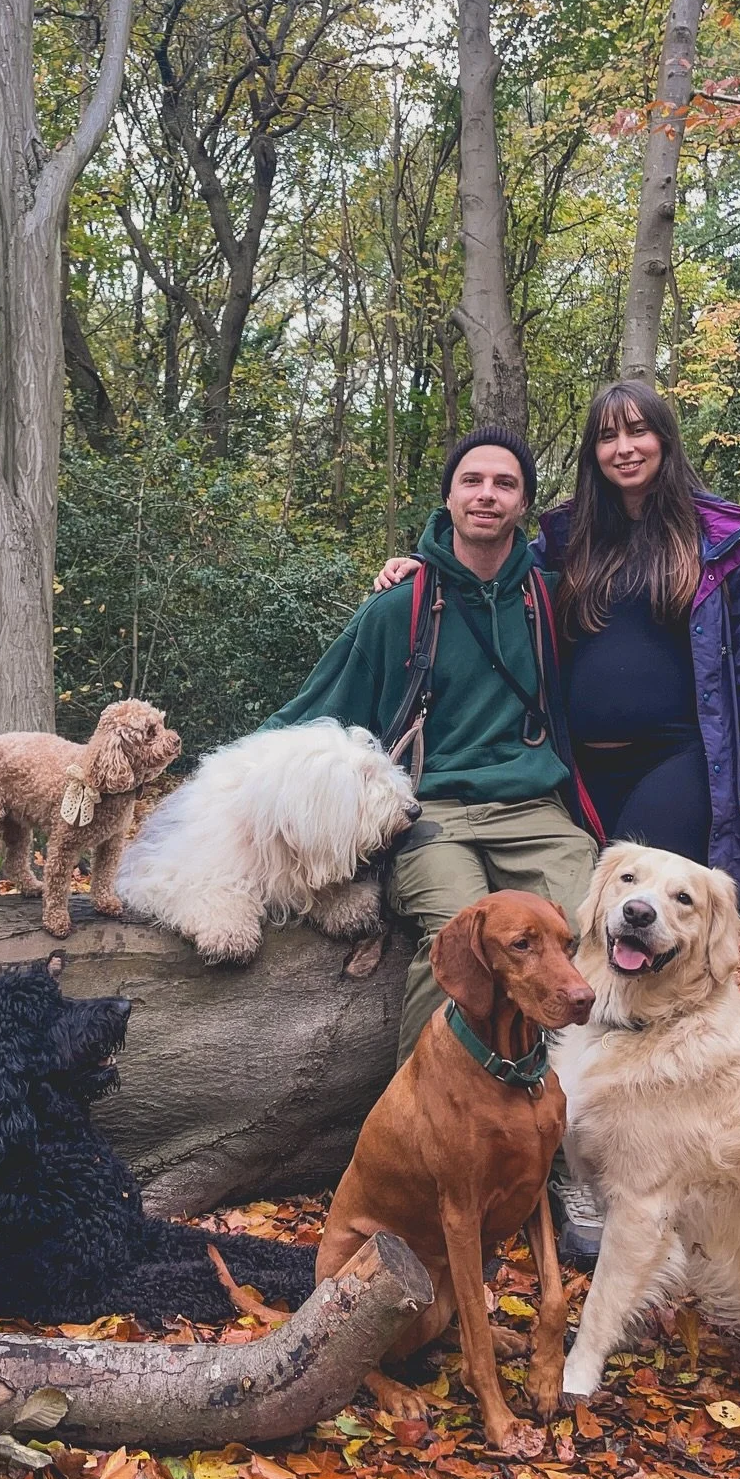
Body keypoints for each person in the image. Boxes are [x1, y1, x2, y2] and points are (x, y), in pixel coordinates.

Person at [377, 381, 740, 918]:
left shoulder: (719, 541)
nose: (624, 448)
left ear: (664, 439)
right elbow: (495, 571)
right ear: (594, 452)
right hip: (577, 768)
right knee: (591, 921)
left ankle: (662, 1007)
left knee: (640, 911)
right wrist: (429, 569)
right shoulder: (570, 539)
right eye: (608, 436)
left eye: (639, 431)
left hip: (677, 758)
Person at [266, 425, 598, 1066]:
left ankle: (558, 1124)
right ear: (447, 498)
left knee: (588, 924)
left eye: (505, 484)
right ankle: (422, 1131)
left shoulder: (551, 599)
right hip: (430, 810)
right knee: (458, 938)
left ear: (523, 504)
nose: (486, 495)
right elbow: (318, 709)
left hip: (533, 809)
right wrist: (219, 794)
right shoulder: (402, 606)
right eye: (471, 481)